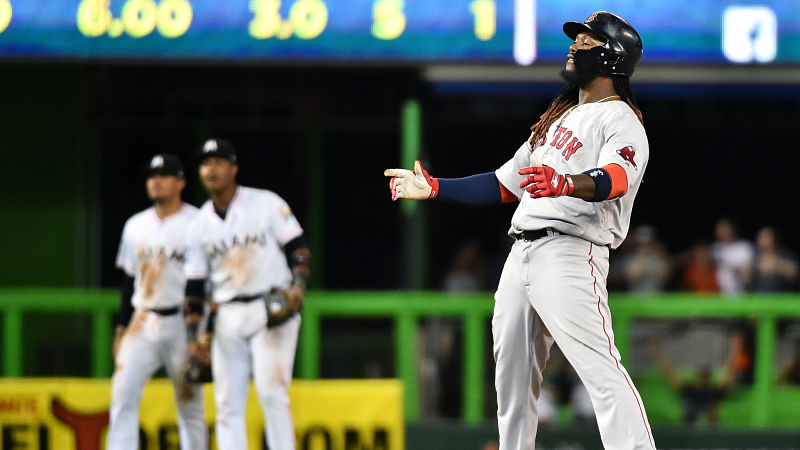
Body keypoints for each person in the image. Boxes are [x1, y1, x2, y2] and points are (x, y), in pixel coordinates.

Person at [385, 11, 655, 449]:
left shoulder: (620, 118)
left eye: (585, 42)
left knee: (599, 368)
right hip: (522, 253)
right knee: (510, 378)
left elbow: (616, 177)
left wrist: (568, 183)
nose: (573, 47)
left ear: (610, 57)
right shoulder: (557, 118)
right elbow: (501, 183)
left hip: (572, 251)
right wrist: (435, 188)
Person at [183, 138, 311, 450]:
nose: (211, 169)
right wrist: (191, 337)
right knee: (227, 402)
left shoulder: (265, 203)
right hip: (226, 314)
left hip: (271, 307)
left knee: (271, 392)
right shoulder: (199, 223)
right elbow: (195, 287)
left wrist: (298, 287)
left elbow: (299, 250)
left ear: (234, 168)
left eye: (218, 162)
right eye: (205, 163)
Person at [107, 154, 207, 450]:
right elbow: (128, 281)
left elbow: (207, 281)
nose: (155, 181)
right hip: (143, 319)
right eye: (152, 176)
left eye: (163, 175)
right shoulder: (135, 225)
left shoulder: (197, 222)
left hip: (183, 321)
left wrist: (202, 332)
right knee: (122, 396)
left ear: (180, 183)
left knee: (190, 403)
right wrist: (121, 328)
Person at [711, 218, 754, 296]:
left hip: (742, 293)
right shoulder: (715, 248)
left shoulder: (744, 247)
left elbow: (748, 274)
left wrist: (733, 268)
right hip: (720, 295)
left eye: (724, 227)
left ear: (732, 228)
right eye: (719, 228)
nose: (720, 230)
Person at [751, 226, 798, 292]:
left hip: (783, 296)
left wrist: (775, 266)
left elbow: (794, 274)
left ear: (774, 238)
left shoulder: (784, 254)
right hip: (760, 297)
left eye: (766, 236)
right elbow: (747, 280)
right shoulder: (755, 256)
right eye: (760, 237)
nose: (763, 240)